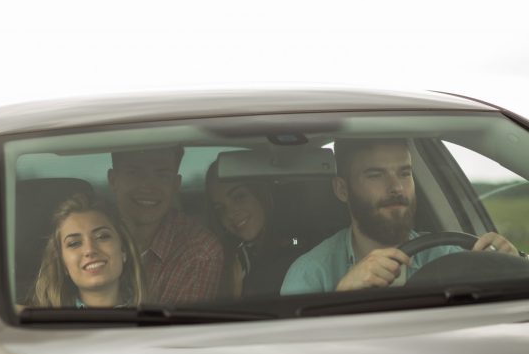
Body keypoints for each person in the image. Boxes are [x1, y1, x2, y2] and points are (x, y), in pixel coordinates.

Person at [280, 138, 520, 295]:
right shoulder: (311, 274)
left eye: (404, 173)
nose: (396, 187)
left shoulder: (451, 256)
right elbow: (294, 352)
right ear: (342, 189)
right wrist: (342, 296)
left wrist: (511, 269)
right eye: (375, 175)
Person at [107, 146, 223, 305]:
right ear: (113, 180)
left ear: (176, 185)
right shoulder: (86, 239)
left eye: (162, 175)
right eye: (134, 173)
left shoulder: (199, 252)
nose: (147, 186)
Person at [29, 192, 145, 308]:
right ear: (63, 263)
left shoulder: (152, 315)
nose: (90, 250)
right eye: (74, 243)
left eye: (102, 237)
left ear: (123, 249)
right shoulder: (32, 317)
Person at [205, 160, 300, 298]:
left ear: (261, 192)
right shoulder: (220, 260)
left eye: (239, 197)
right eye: (220, 209)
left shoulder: (295, 248)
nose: (230, 214)